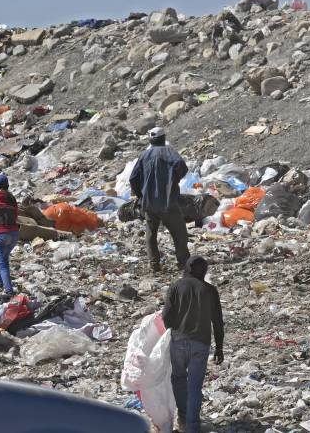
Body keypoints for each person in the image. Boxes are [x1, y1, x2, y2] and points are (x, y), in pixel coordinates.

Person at [162, 256, 224, 433]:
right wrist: (219, 347)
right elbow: (218, 322)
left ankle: (182, 417)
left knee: (178, 379)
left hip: (178, 342)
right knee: (195, 386)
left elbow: (166, 317)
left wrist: (175, 329)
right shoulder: (210, 290)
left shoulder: (175, 287)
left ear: (187, 268)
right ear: (204, 271)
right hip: (201, 345)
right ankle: (192, 427)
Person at [129, 127, 190, 271]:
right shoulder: (169, 152)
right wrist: (173, 180)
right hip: (168, 202)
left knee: (151, 234)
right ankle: (183, 263)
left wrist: (140, 195)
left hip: (149, 203)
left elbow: (133, 178)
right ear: (163, 138)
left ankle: (154, 264)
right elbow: (182, 167)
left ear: (151, 140)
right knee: (179, 232)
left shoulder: (144, 155)